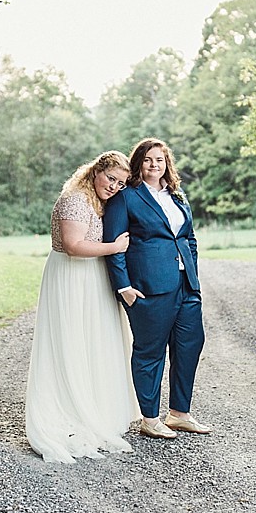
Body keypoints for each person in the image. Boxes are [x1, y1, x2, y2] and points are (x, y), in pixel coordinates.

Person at [25, 151, 140, 463]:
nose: (115, 186)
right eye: (111, 178)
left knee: (95, 341)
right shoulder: (75, 198)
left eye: (121, 183)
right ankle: (71, 408)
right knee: (72, 340)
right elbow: (74, 246)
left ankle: (95, 406)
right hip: (72, 276)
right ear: (95, 172)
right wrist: (114, 248)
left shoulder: (98, 201)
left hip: (92, 276)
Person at [103, 138, 211, 439]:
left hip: (185, 283)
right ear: (139, 162)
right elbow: (116, 245)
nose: (154, 165)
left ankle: (179, 414)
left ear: (167, 163)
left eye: (160, 160)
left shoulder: (177, 195)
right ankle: (150, 419)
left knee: (190, 345)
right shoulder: (126, 197)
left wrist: (194, 275)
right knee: (150, 352)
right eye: (148, 159)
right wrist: (123, 286)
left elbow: (189, 237)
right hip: (148, 287)